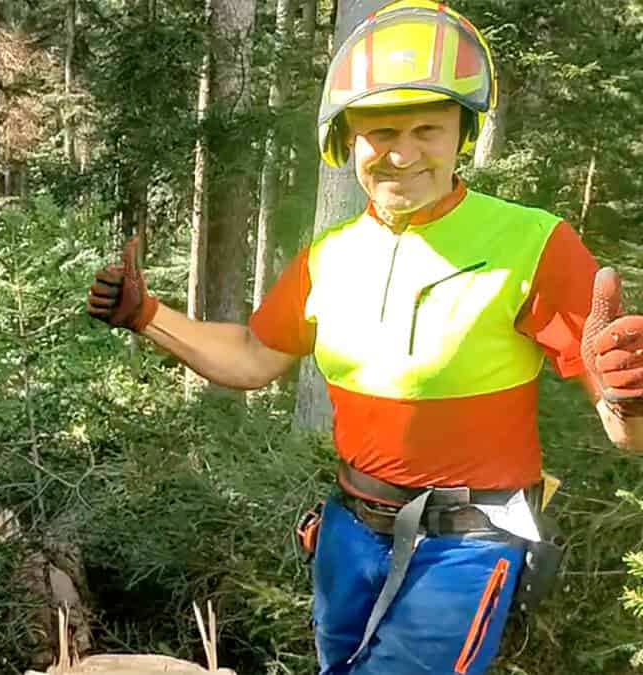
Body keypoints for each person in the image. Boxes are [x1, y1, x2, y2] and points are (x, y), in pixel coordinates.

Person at [86, 1, 643, 673]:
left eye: (427, 129)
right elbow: (254, 355)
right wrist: (148, 316)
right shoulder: (331, 255)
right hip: (349, 532)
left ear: (462, 132)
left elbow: (626, 431)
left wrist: (627, 400)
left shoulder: (532, 244)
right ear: (346, 139)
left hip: (468, 545)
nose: (402, 152)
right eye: (380, 131)